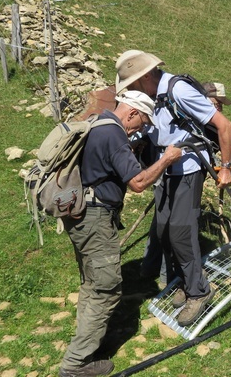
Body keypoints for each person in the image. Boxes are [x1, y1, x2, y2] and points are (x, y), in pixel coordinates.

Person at [59, 91, 182, 377]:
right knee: (106, 289)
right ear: (132, 113)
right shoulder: (114, 134)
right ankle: (75, 365)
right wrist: (166, 159)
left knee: (91, 283)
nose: (139, 129)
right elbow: (138, 182)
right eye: (140, 123)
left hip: (80, 213)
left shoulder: (98, 122)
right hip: (96, 219)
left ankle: (89, 346)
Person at [115, 50, 231, 327]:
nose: (130, 89)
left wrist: (225, 167)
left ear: (144, 77)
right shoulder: (154, 95)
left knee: (181, 230)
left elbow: (224, 126)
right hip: (166, 166)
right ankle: (185, 280)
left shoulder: (177, 90)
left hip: (189, 167)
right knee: (164, 229)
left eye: (131, 83)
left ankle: (199, 291)